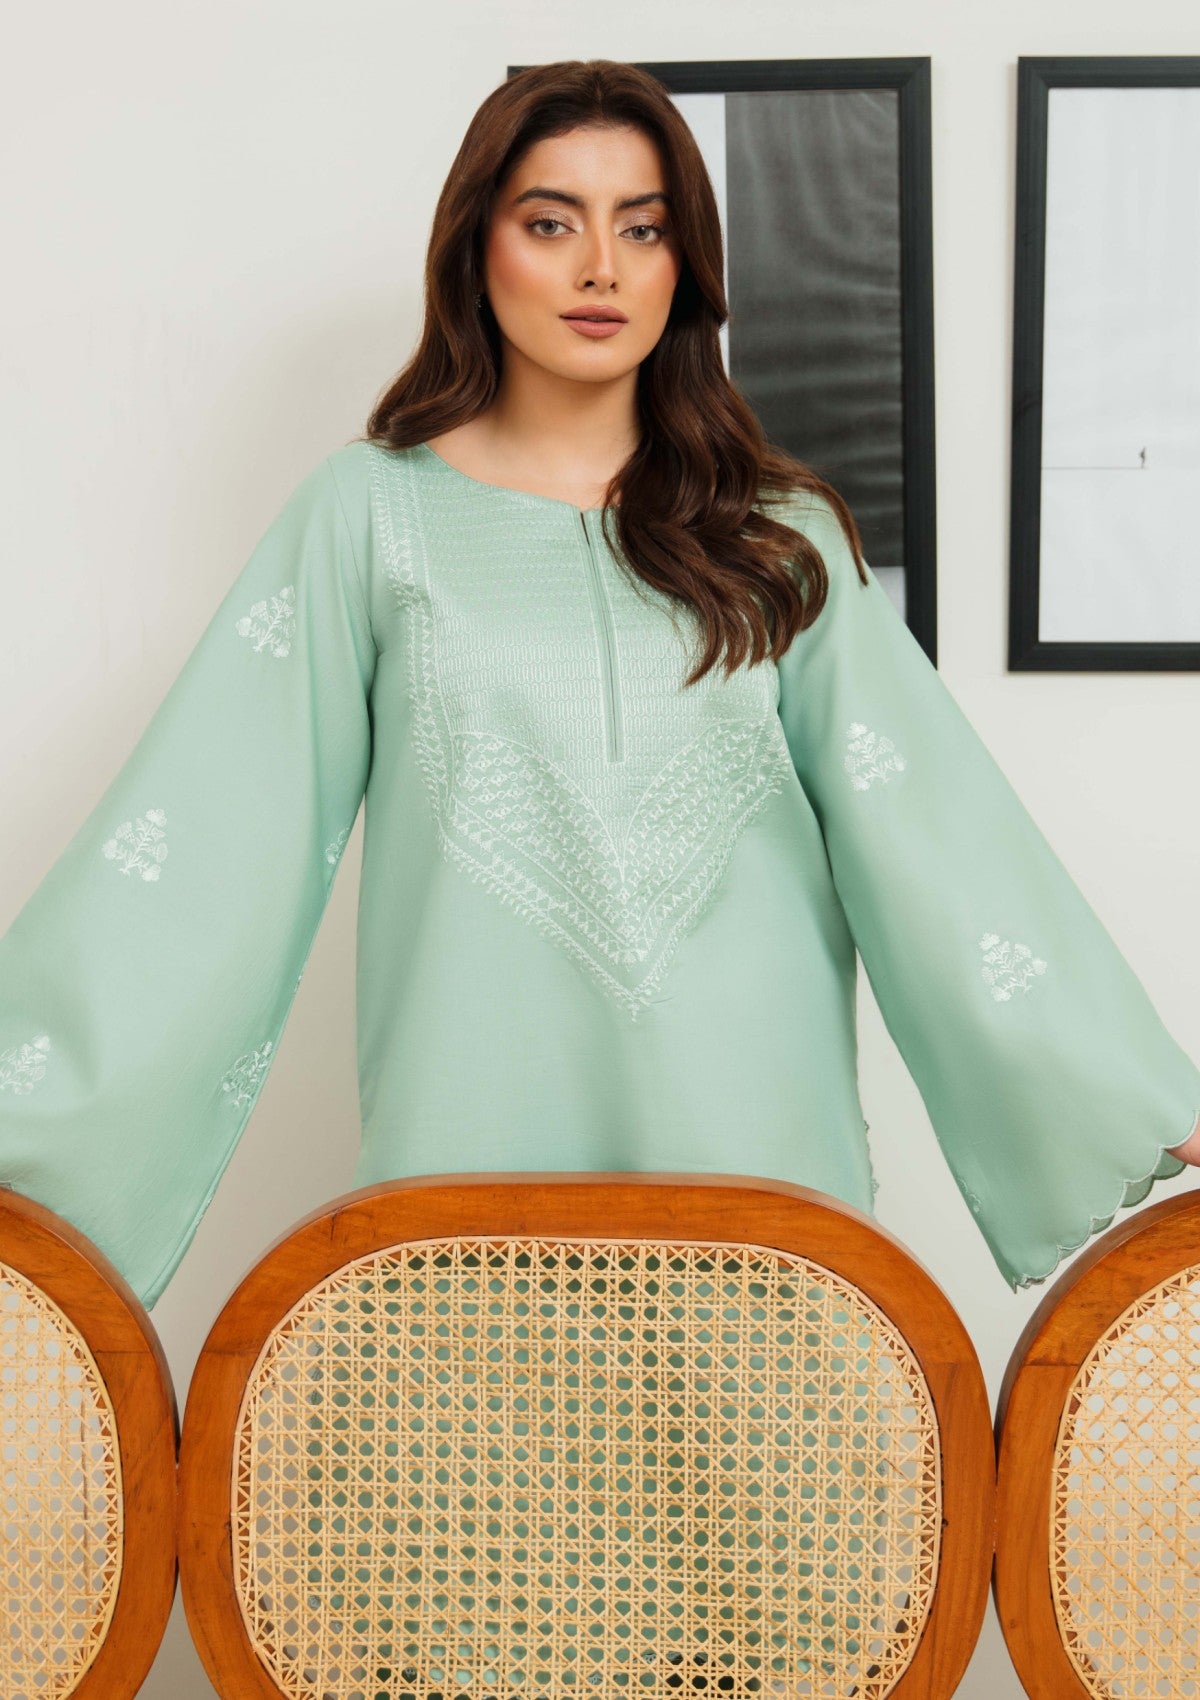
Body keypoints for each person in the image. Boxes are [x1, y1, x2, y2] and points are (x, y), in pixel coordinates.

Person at [1, 59, 1197, 1316]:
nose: (601, 269)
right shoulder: (368, 516)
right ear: (476, 247)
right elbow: (207, 836)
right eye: (550, 222)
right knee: (459, 1448)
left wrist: (1145, 1091)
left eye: (643, 228)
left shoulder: (779, 538)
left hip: (763, 1211)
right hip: (466, 1215)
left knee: (783, 1451)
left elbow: (937, 835)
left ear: (687, 264)